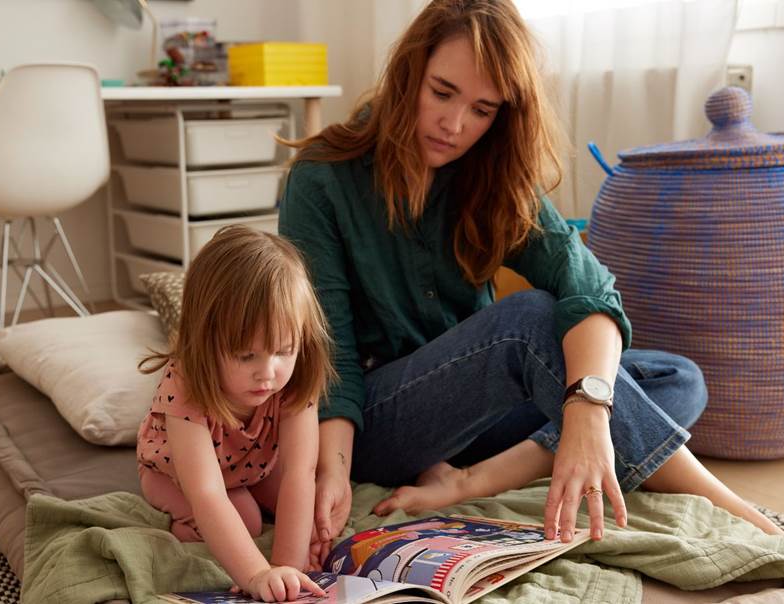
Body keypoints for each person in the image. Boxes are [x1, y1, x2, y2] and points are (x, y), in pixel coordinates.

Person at [278, 0, 783, 565]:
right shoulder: (322, 177)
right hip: (375, 421)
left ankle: (472, 480)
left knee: (674, 378)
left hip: (478, 418)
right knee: (528, 323)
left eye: (482, 109)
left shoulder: (489, 172)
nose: (455, 124)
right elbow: (328, 358)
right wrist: (333, 474)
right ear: (408, 75)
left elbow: (589, 289)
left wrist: (587, 413)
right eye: (442, 92)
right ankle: (739, 513)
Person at [136, 225, 335, 602]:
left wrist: (288, 567)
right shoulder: (187, 384)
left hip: (251, 463)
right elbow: (207, 493)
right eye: (247, 356)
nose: (268, 372)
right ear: (206, 343)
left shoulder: (293, 374)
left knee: (306, 513)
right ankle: (180, 524)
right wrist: (258, 574)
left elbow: (299, 472)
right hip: (174, 473)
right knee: (245, 520)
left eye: (284, 350)